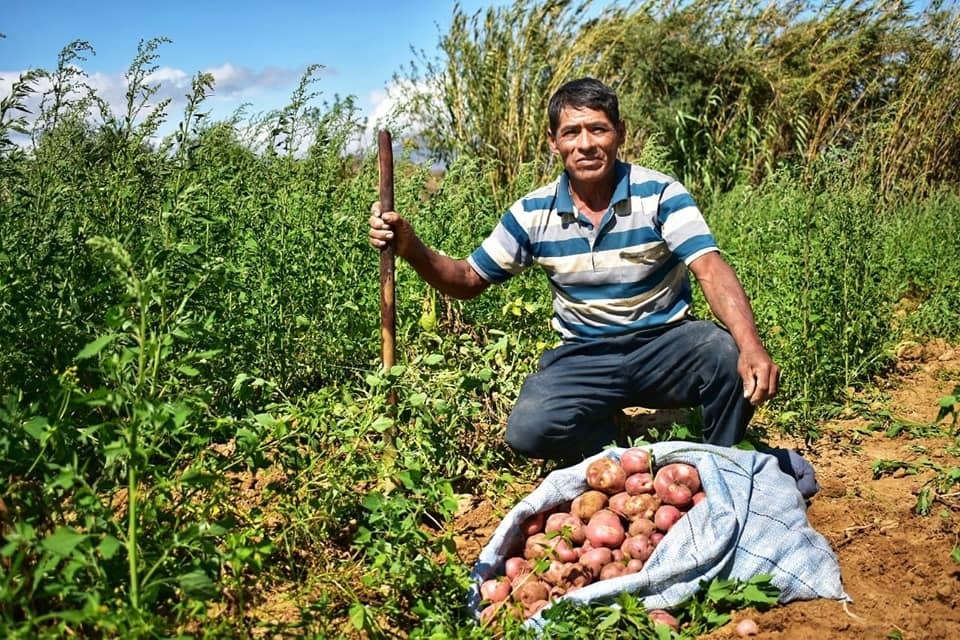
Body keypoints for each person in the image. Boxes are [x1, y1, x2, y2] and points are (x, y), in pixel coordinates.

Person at [368, 77, 780, 464]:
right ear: (553, 142)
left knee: (726, 356)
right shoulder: (533, 213)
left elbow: (710, 269)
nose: (586, 144)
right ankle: (622, 444)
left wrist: (750, 344)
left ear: (620, 133)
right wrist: (411, 247)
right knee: (529, 431)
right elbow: (467, 279)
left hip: (666, 344)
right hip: (585, 353)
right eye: (571, 132)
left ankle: (716, 462)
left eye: (598, 129)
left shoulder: (660, 195)